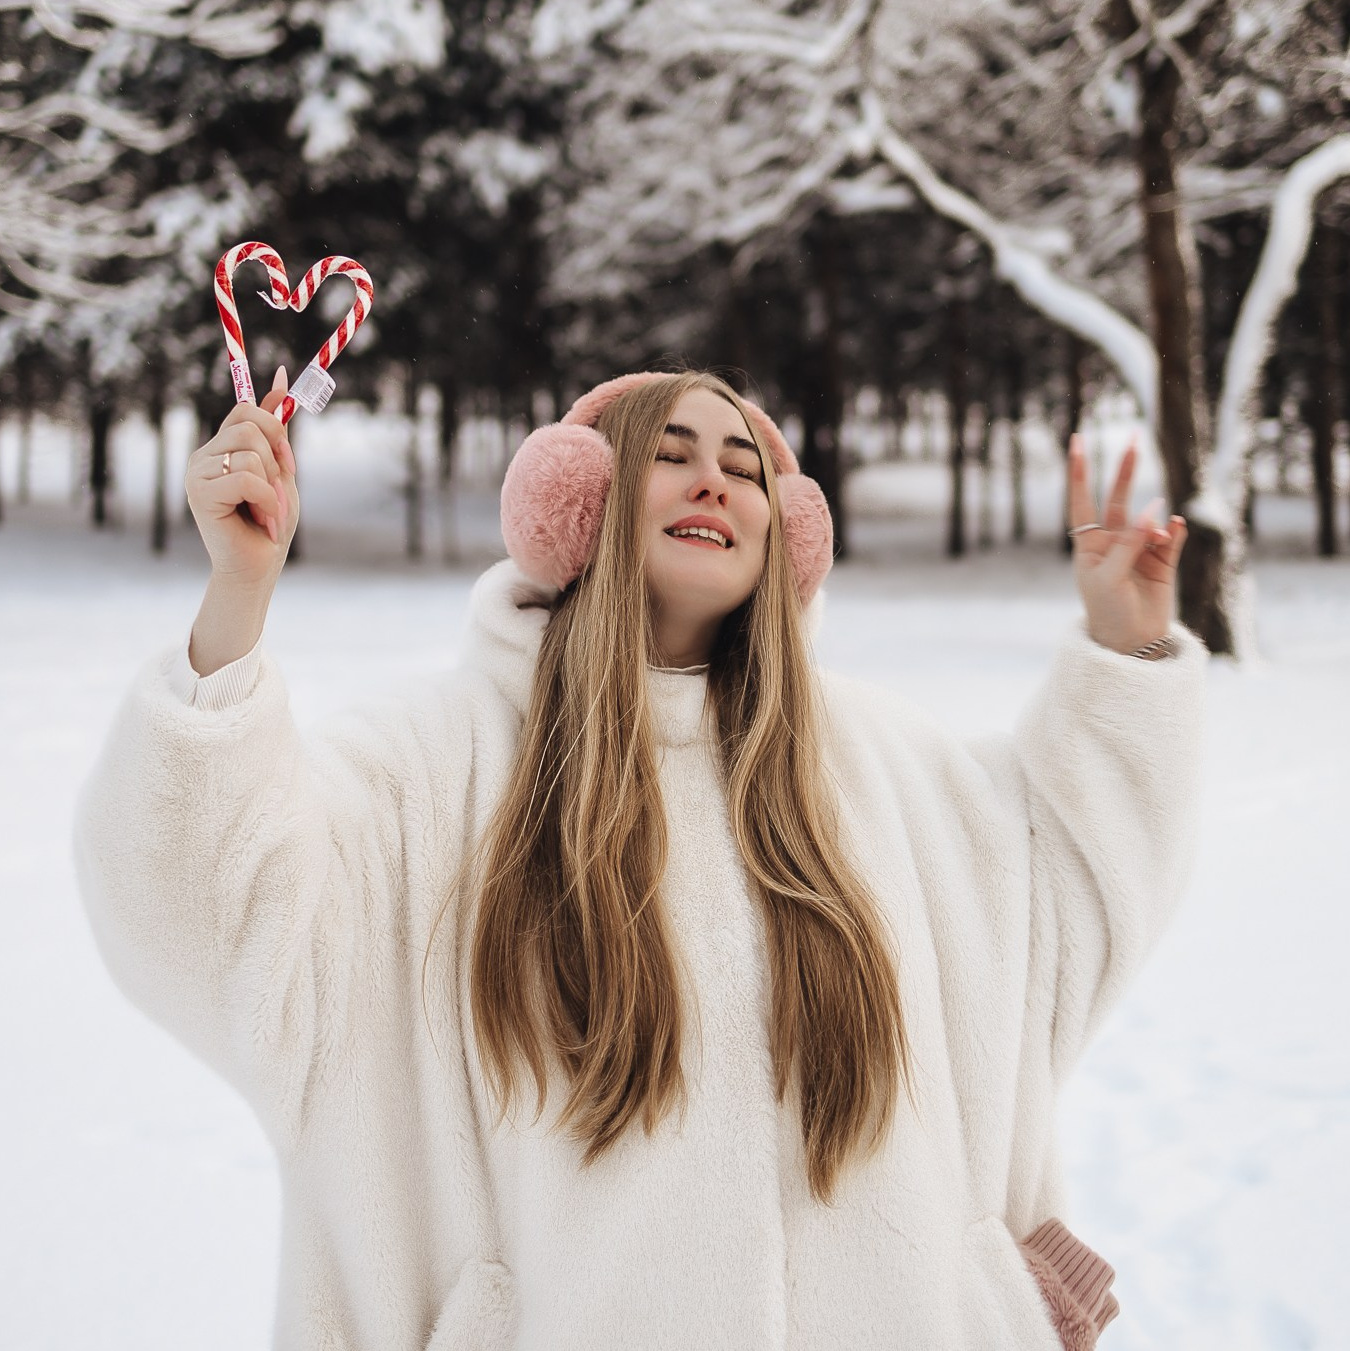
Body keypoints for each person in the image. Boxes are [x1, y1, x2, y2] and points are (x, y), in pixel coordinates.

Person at [72, 367, 1204, 1351]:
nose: (714, 480)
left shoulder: (883, 770)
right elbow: (213, 921)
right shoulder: (438, 769)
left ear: (788, 532)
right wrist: (237, 598)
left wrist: (1127, 649)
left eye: (745, 467)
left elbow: (1070, 906)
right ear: (582, 504)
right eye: (670, 454)